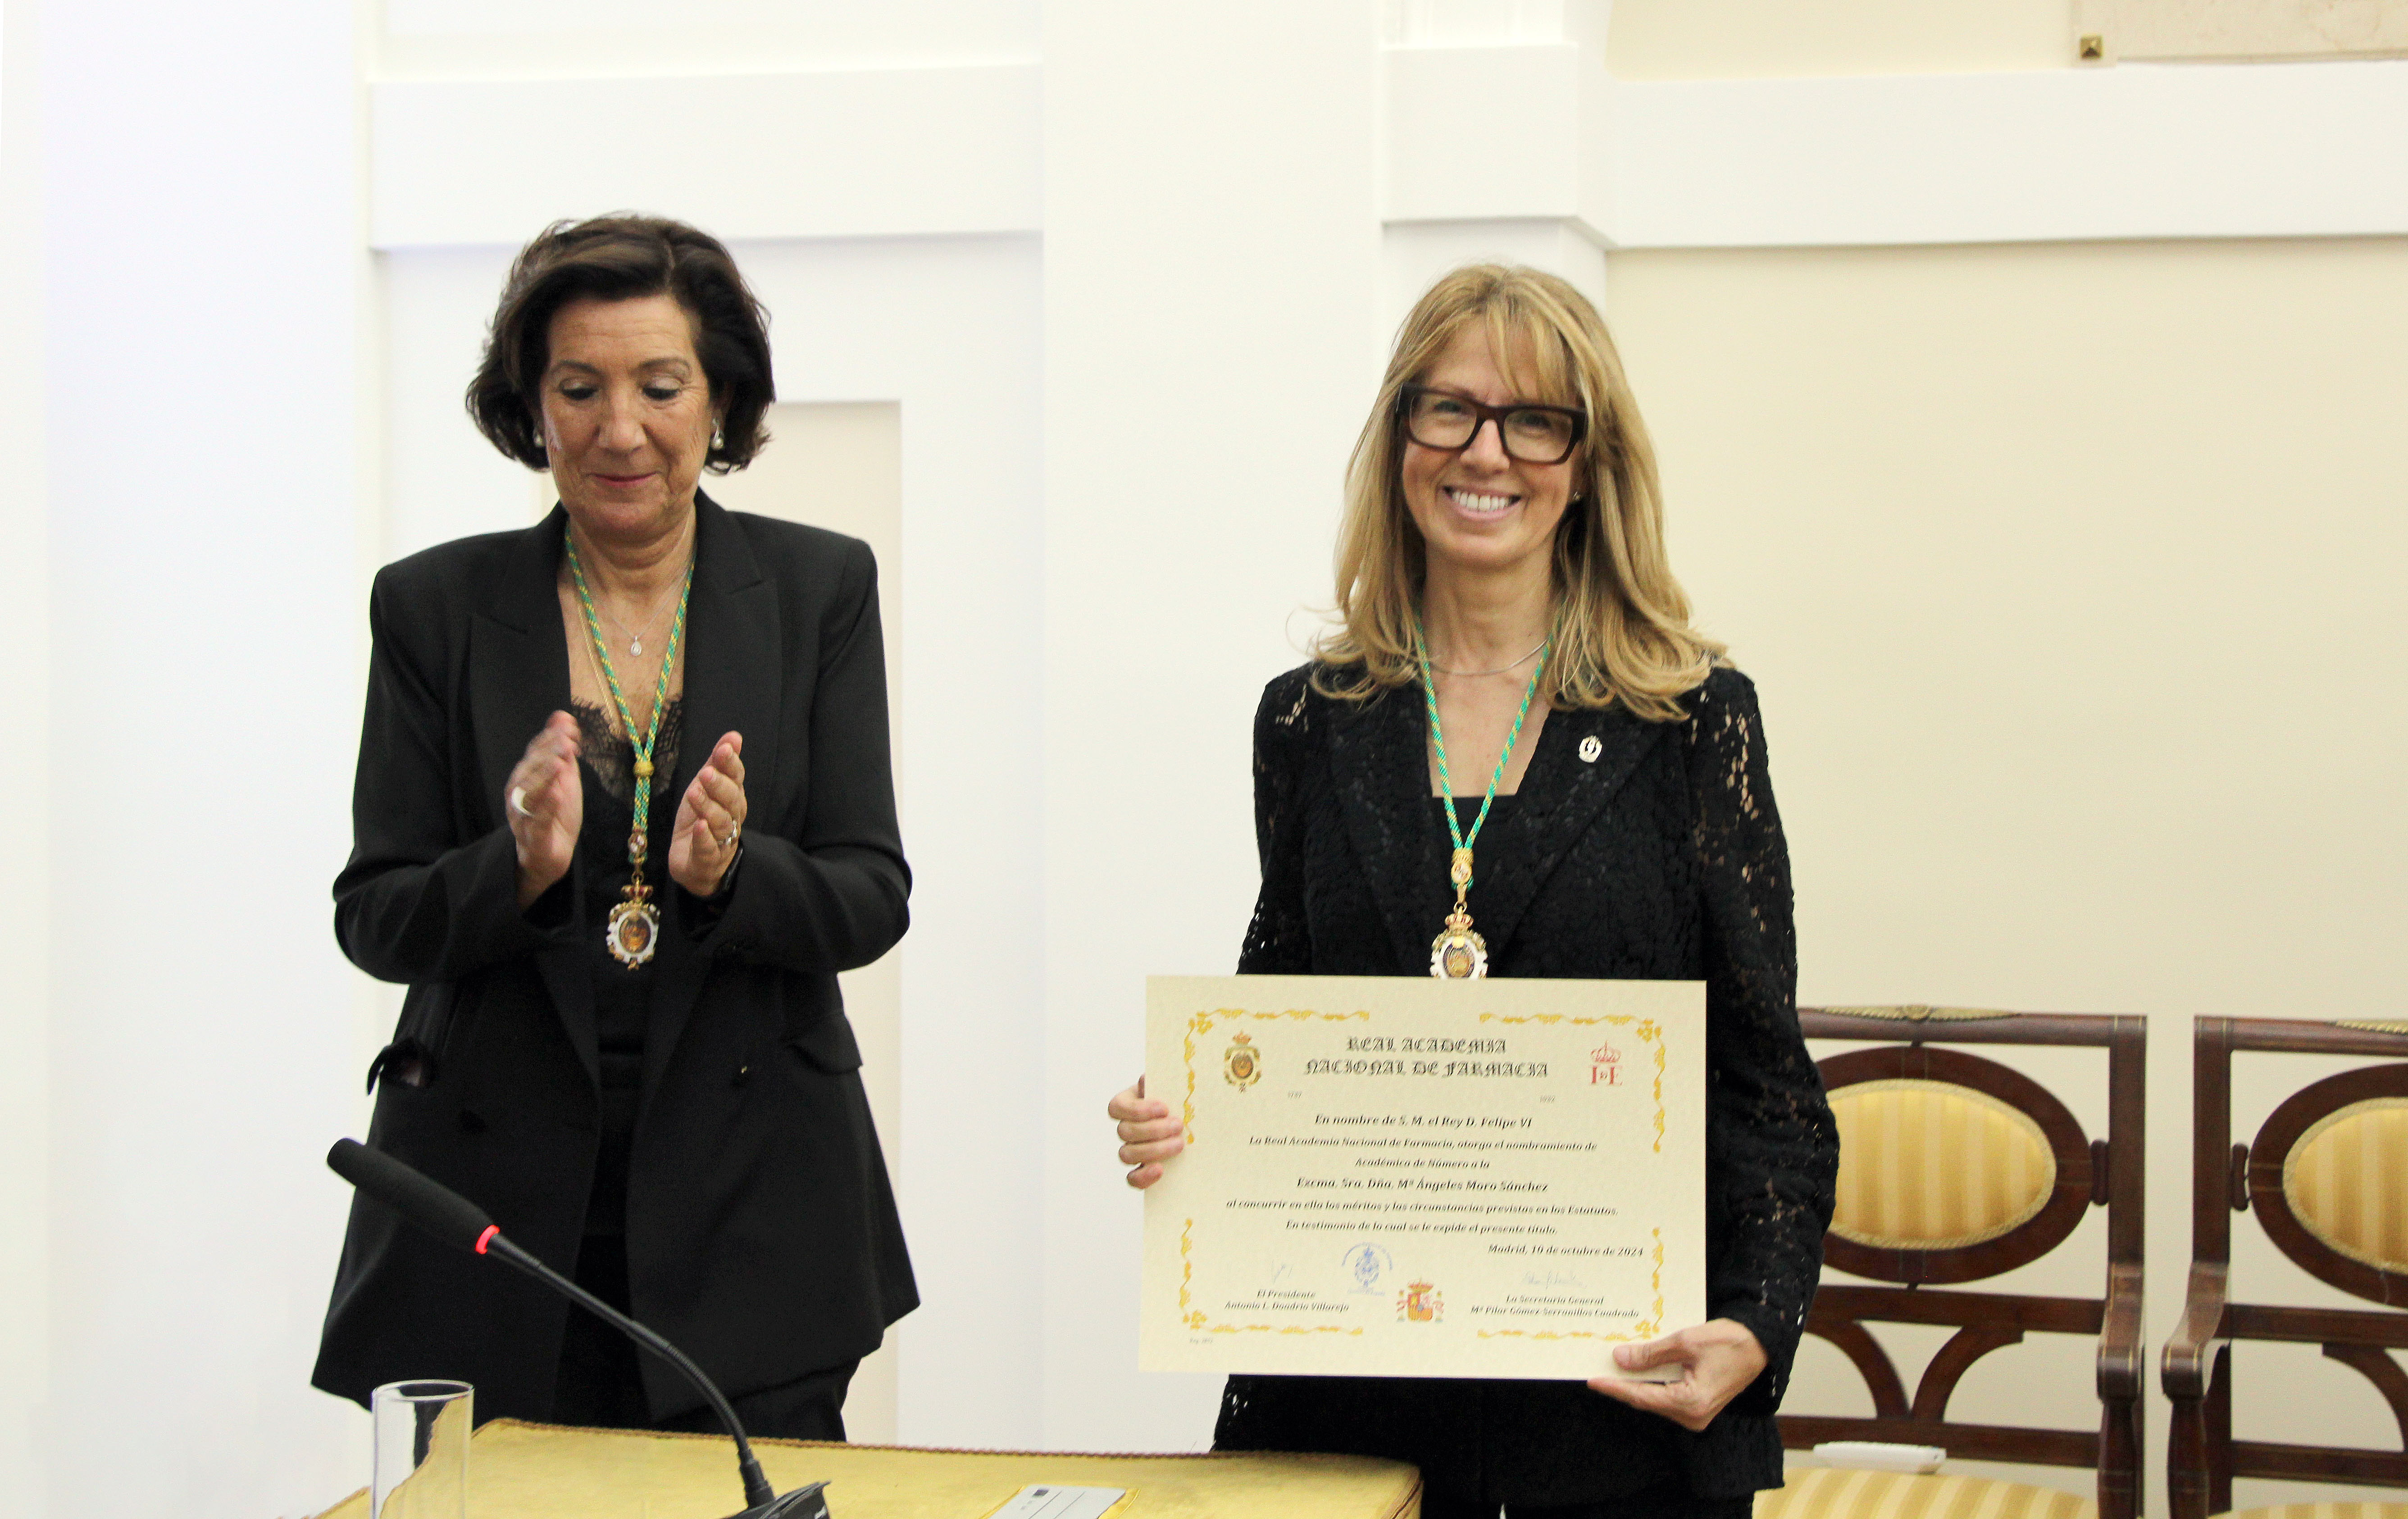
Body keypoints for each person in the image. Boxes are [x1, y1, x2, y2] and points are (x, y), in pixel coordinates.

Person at [1107, 265, 1839, 1518]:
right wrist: (1182, 1123)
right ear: (1398, 438)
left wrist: (1756, 1323)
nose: (1483, 450)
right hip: (1351, 1409)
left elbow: (1767, 1083)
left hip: (1615, 1413)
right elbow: (1276, 1010)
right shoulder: (1308, 721)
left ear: (1588, 458)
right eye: (1445, 409)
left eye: (1533, 418)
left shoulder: (1692, 721)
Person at [313, 215, 914, 1440]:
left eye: (660, 385)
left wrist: (729, 873)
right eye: (577, 388)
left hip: (755, 1206)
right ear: (531, 406)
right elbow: (374, 912)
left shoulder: (817, 591)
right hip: (501, 1211)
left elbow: (871, 892)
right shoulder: (434, 605)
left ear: (721, 397)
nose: (618, 427)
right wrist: (516, 866)